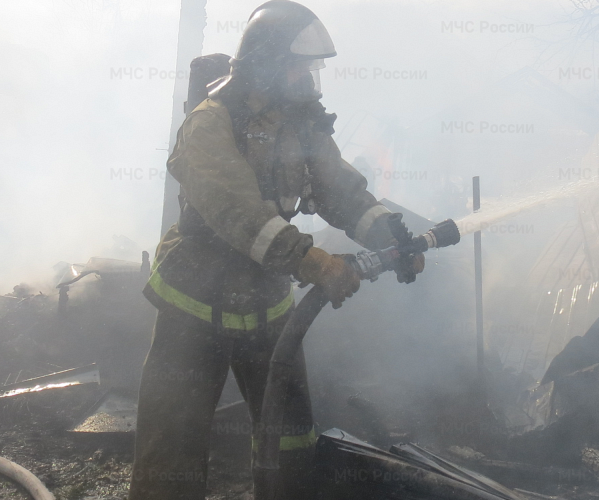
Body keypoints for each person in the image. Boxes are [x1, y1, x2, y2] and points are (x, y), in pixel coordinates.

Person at [129, 2, 423, 498]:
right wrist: (312, 261)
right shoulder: (211, 123)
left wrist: (391, 235)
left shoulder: (299, 122)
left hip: (265, 302)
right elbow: (239, 214)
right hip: (194, 304)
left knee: (290, 437)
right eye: (298, 67)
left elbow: (339, 191)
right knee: (172, 448)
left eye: (312, 69)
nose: (308, 79)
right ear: (265, 64)